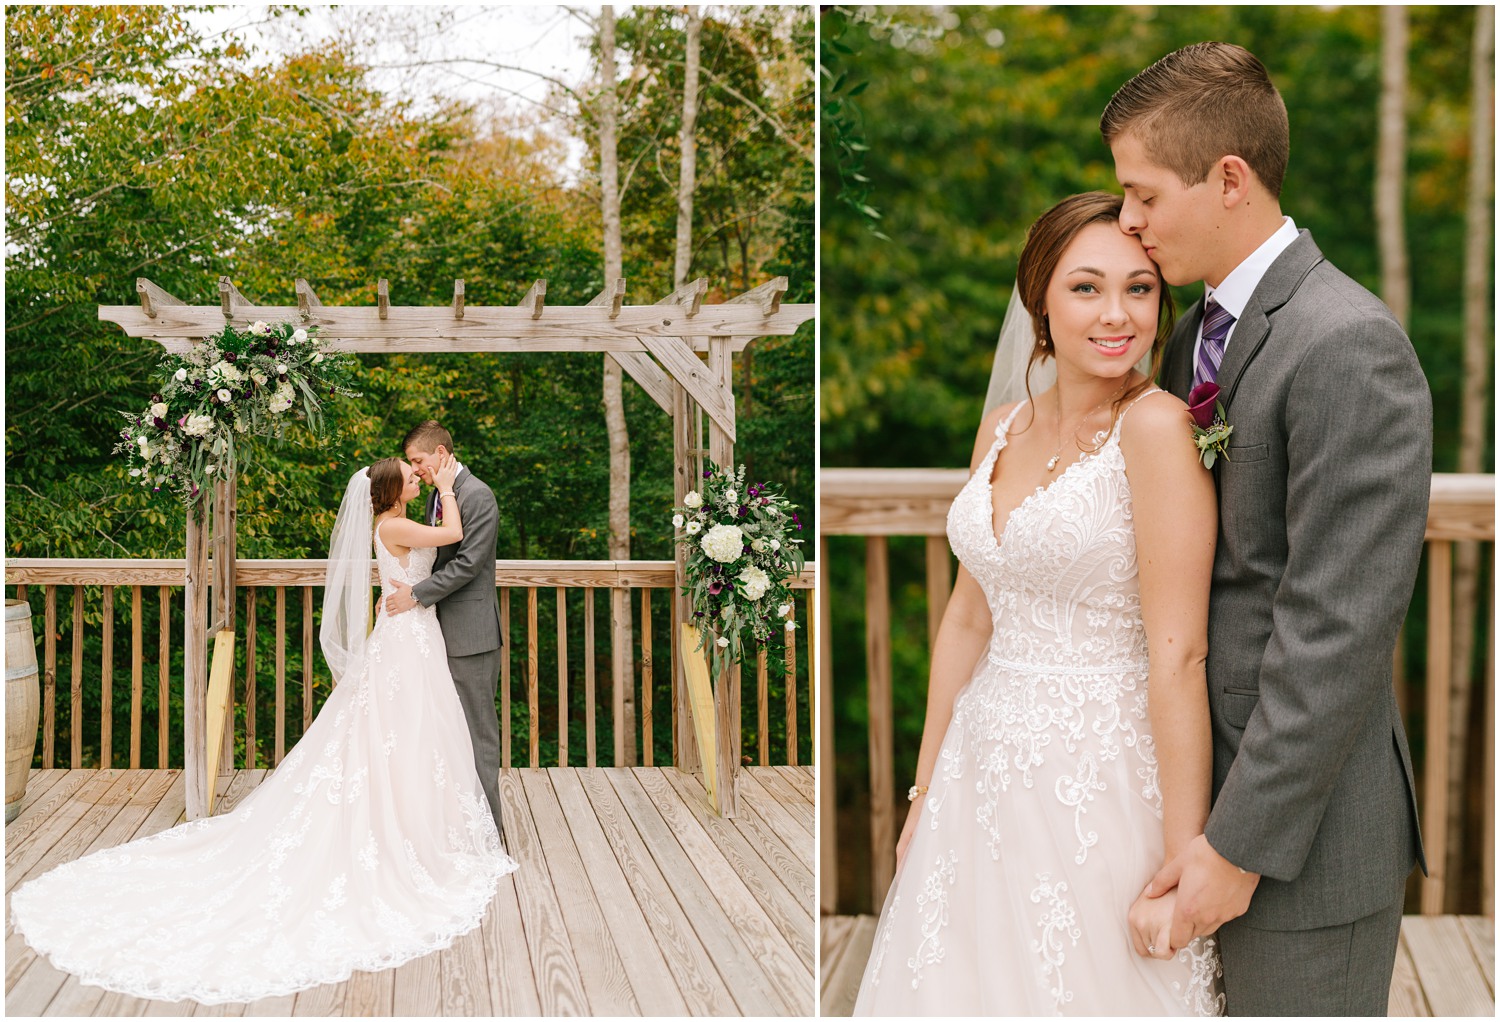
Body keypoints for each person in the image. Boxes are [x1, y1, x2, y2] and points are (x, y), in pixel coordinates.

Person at [1102, 42, 1430, 1016]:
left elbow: (1335, 631)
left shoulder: (1347, 345)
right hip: (1189, 803)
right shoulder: (1192, 331)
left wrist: (1237, 847)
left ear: (1230, 179)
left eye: (1144, 194)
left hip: (1296, 846)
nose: (1127, 219)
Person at [853, 191, 1224, 1015]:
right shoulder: (1000, 427)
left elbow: (1180, 654)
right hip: (979, 771)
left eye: (1140, 288)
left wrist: (1182, 856)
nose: (1116, 314)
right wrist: (923, 796)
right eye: (1087, 288)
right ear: (1040, 302)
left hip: (1102, 777)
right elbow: (967, 618)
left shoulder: (1156, 429)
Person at [9, 454, 518, 1005]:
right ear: (395, 488)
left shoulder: (393, 523)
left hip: (411, 633)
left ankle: (416, 819)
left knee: (410, 736)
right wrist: (445, 485)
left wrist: (410, 571)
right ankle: (404, 829)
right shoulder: (394, 523)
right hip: (407, 638)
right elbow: (454, 534)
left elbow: (431, 554)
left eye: (420, 471)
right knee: (399, 731)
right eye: (411, 473)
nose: (419, 476)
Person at [381, 421, 505, 836]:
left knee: (477, 735)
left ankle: (490, 832)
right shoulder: (440, 495)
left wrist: (415, 593)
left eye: (418, 461)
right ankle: (451, 828)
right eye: (411, 465)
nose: (415, 471)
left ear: (439, 452)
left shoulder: (477, 494)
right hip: (431, 636)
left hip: (470, 635)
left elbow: (469, 563)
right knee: (443, 735)